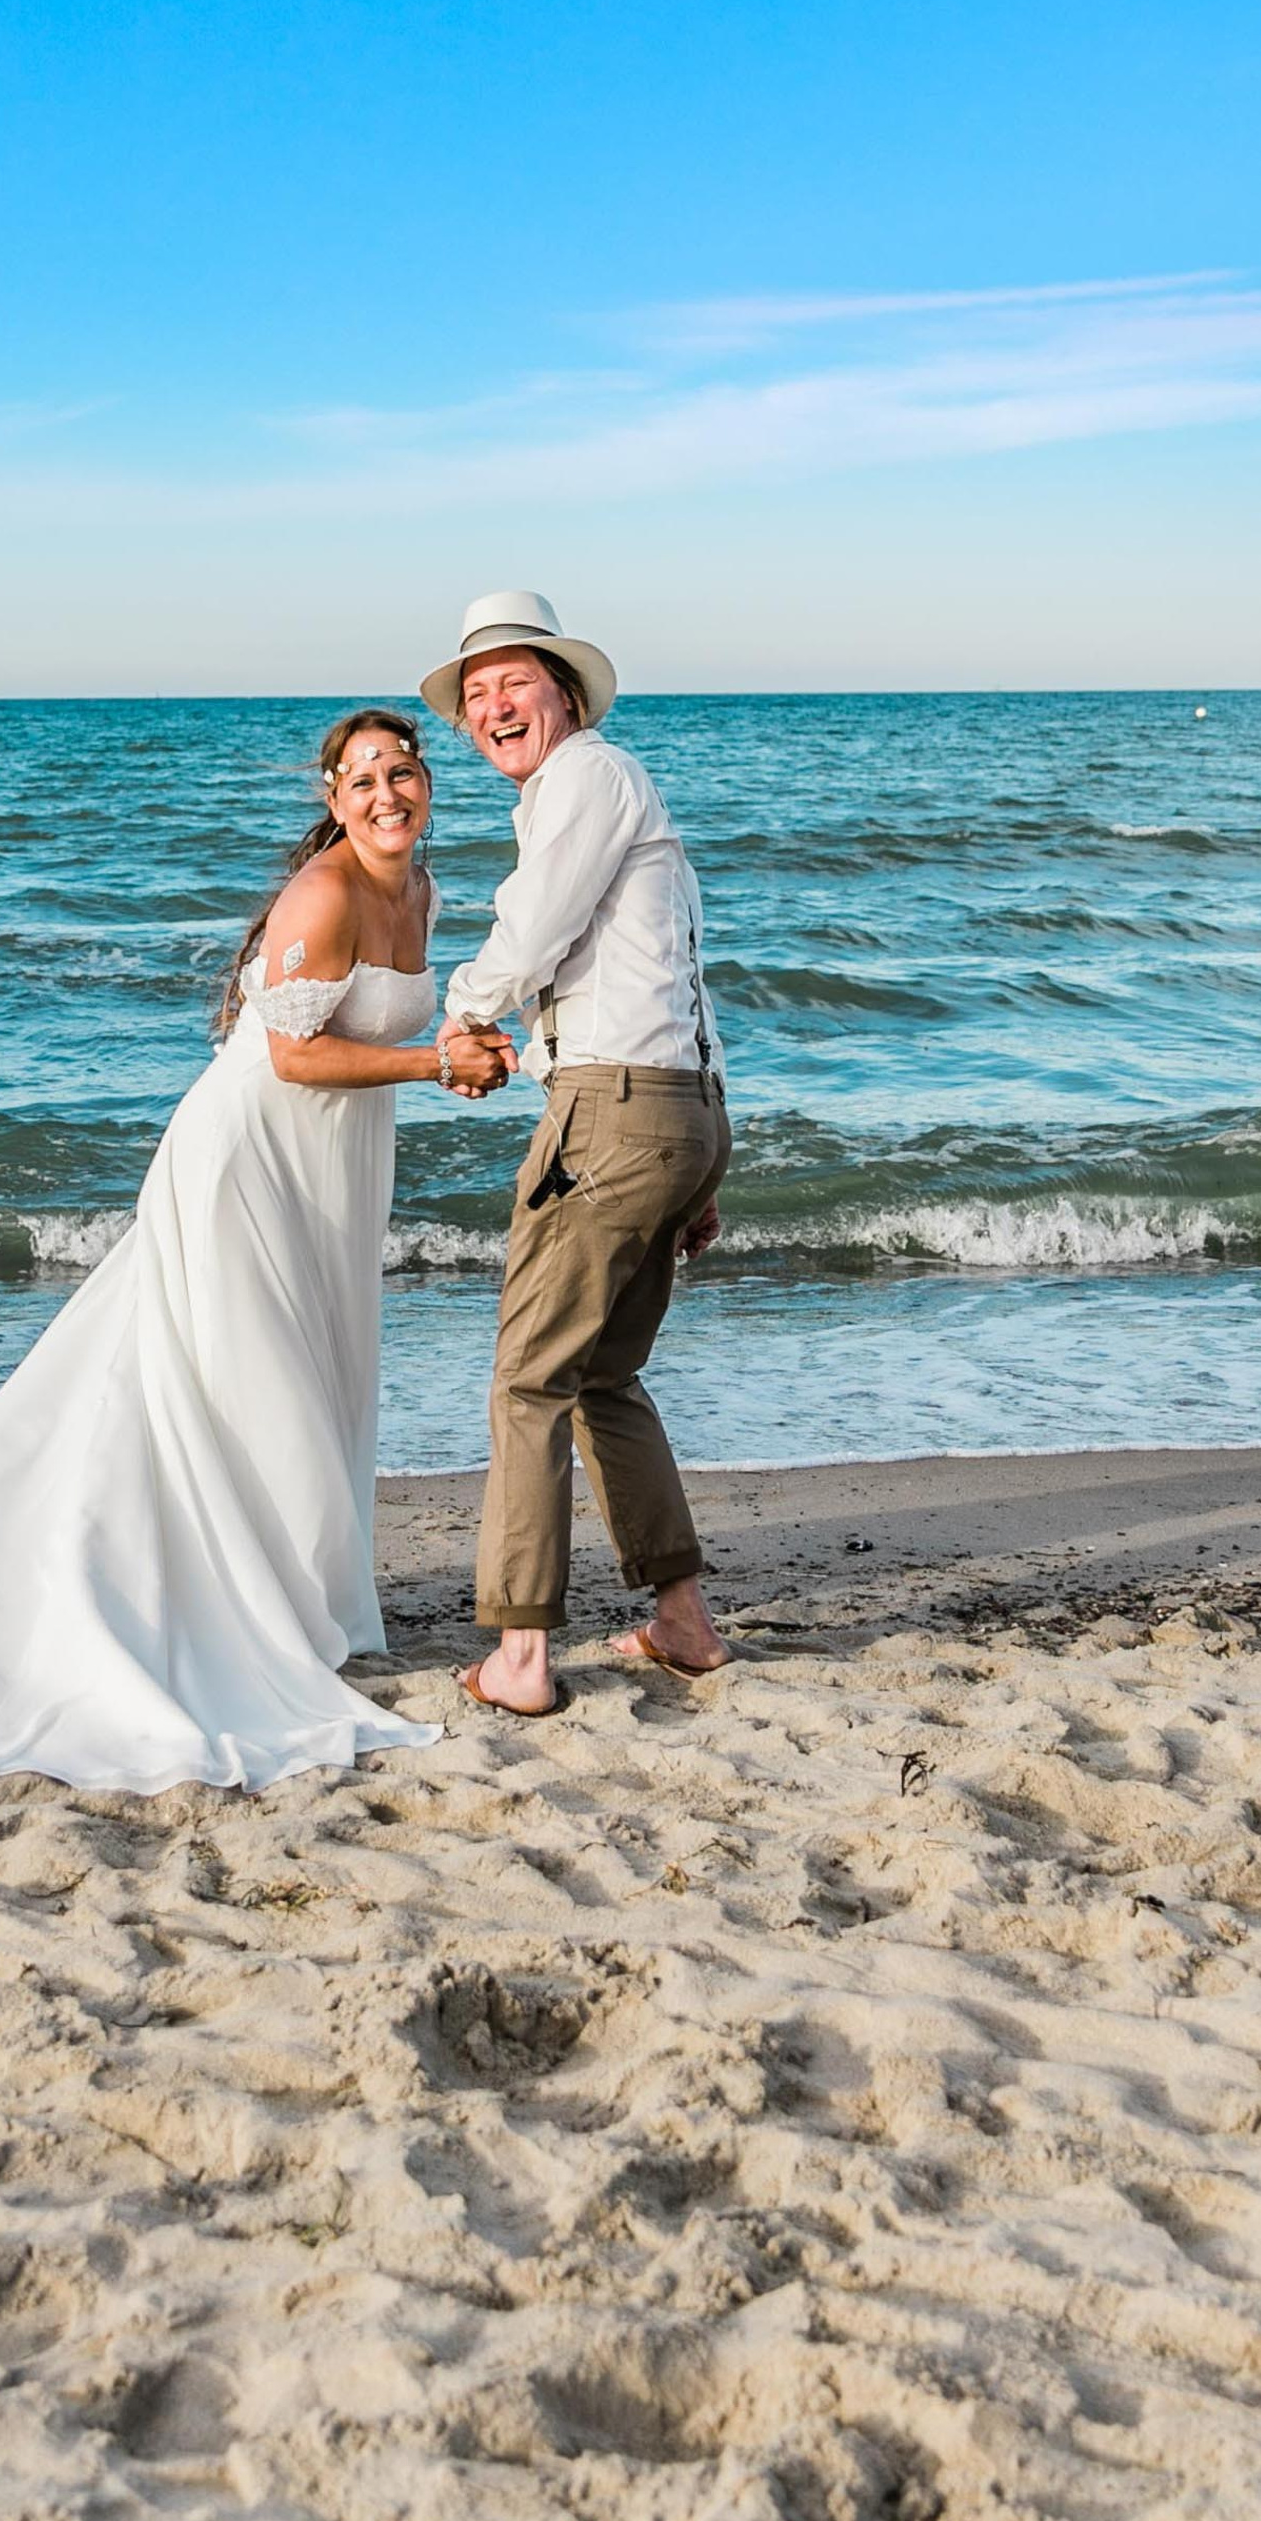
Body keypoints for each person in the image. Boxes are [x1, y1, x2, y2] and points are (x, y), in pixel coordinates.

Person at [0, 709, 512, 1794]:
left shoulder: (421, 890)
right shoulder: (322, 894)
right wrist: (430, 1067)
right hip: (250, 1157)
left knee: (314, 1365)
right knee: (233, 1376)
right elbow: (290, 1057)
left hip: (337, 1162)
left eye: (399, 773)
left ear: (425, 783)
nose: (384, 795)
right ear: (332, 801)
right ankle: (217, 1604)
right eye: (360, 780)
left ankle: (291, 1593)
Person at [421, 592, 732, 1716]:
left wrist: (461, 1014)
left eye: (516, 681)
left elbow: (534, 923)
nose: (494, 704)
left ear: (564, 692)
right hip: (676, 1106)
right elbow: (679, 975)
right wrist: (706, 1161)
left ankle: (518, 1655)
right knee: (605, 1374)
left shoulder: (586, 779)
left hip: (613, 1111)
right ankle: (683, 1623)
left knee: (531, 1377)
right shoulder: (605, 787)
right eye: (477, 693)